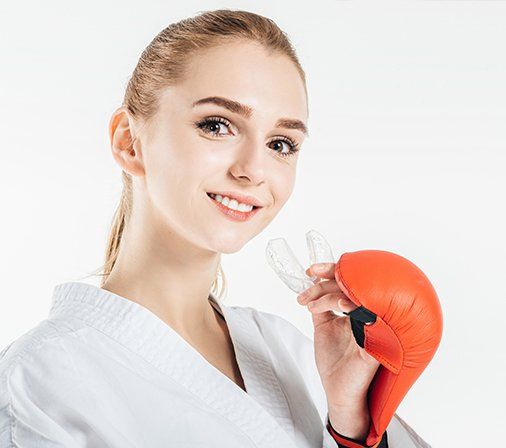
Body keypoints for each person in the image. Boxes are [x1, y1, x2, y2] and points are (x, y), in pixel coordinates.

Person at [0, 9, 432, 448]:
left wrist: (352, 424)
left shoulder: (288, 350)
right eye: (217, 125)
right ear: (128, 141)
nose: (253, 170)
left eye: (281, 143)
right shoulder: (42, 378)